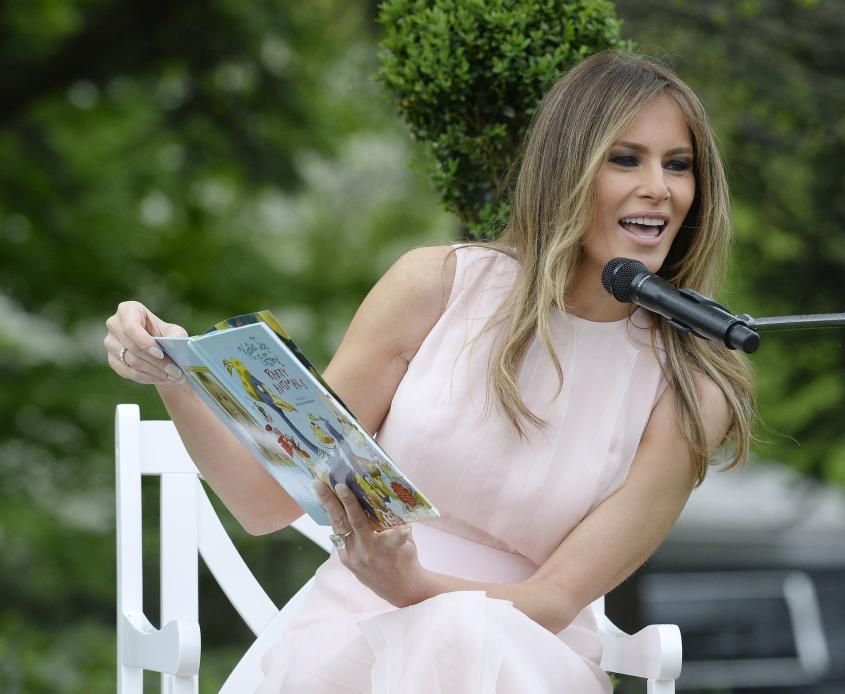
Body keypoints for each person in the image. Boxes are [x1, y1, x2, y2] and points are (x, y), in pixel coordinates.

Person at [104, 50, 755, 693]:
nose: (659, 187)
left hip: (528, 650)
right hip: (351, 634)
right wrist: (176, 375)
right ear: (568, 169)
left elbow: (554, 598)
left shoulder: (695, 383)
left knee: (458, 634)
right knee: (439, 638)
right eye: (625, 158)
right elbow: (262, 502)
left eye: (678, 166)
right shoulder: (439, 288)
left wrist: (415, 588)